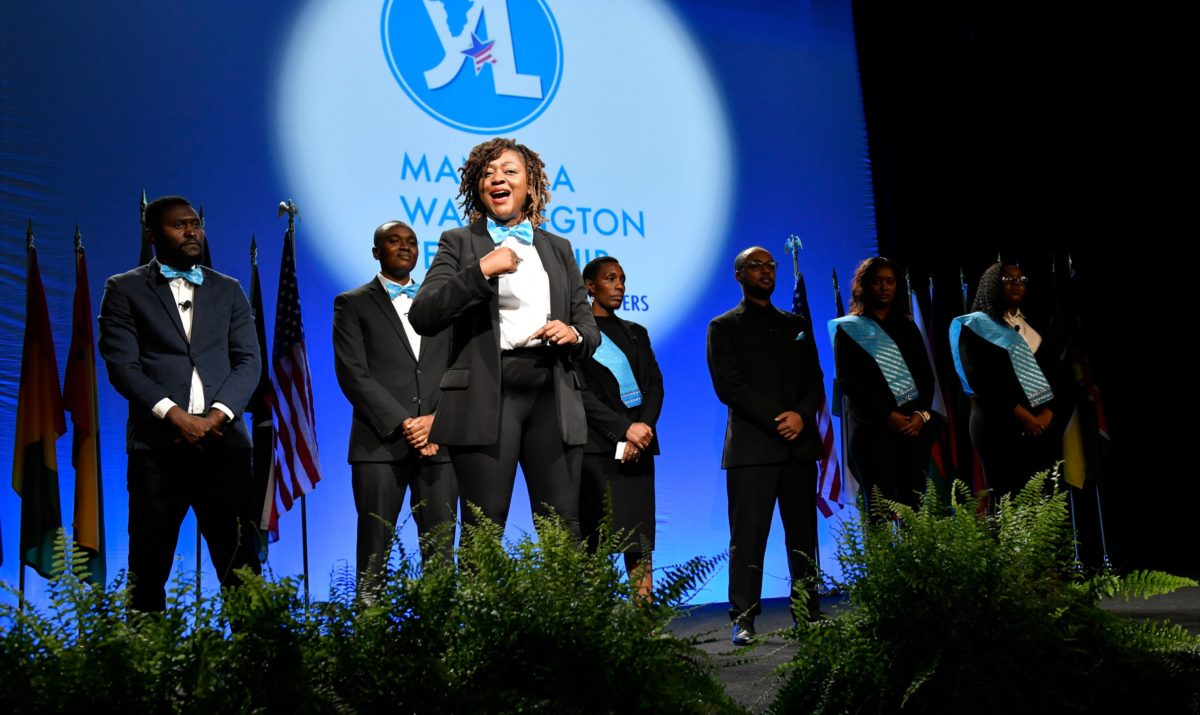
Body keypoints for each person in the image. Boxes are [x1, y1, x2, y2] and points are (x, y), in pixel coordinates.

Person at [409, 138, 599, 539]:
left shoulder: (558, 248)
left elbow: (588, 326)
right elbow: (425, 313)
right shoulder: (459, 242)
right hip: (485, 395)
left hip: (552, 391)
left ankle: (564, 605)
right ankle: (484, 605)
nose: (498, 178)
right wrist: (481, 270)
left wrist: (574, 333)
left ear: (530, 185)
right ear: (477, 187)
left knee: (562, 524)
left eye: (510, 171)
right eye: (488, 173)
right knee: (484, 527)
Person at [98, 195, 261, 612]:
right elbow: (123, 366)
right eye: (179, 225)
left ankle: (258, 667)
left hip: (224, 448)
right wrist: (176, 416)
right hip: (158, 451)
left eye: (195, 224)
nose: (192, 232)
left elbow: (248, 361)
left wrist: (216, 417)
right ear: (153, 236)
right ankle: (149, 668)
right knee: (148, 570)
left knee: (242, 569)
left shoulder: (228, 289)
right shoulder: (124, 289)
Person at [706, 246, 825, 646]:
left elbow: (815, 380)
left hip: (798, 448)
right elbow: (730, 387)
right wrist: (781, 418)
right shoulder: (723, 326)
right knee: (749, 538)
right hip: (754, 449)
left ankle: (808, 612)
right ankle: (744, 617)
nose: (766, 271)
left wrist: (802, 416)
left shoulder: (796, 323)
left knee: (803, 537)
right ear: (739, 275)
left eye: (770, 265)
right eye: (756, 266)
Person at [332, 221, 458, 597]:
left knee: (440, 549)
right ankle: (372, 636)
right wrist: (406, 423)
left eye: (412, 242)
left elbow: (459, 368)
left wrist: (437, 420)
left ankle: (438, 634)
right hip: (379, 445)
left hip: (440, 443)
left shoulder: (441, 305)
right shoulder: (352, 303)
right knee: (375, 548)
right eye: (394, 241)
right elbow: (353, 375)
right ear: (376, 252)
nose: (405, 247)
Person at [578, 256, 663, 597]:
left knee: (638, 540)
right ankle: (596, 628)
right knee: (595, 542)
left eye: (622, 279)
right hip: (596, 452)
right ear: (590, 286)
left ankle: (644, 626)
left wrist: (641, 429)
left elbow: (654, 385)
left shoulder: (636, 333)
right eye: (610, 279)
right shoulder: (578, 335)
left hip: (639, 448)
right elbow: (581, 395)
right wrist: (622, 431)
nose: (619, 286)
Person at [828, 257, 940, 512]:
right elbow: (849, 382)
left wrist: (921, 415)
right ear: (864, 286)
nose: (884, 287)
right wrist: (888, 415)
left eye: (889, 281)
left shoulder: (909, 327)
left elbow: (926, 377)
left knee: (914, 510)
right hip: (872, 431)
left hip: (914, 428)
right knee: (880, 510)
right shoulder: (848, 329)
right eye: (877, 282)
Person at [951, 262, 1063, 500]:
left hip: (1041, 426)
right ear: (991, 284)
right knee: (1006, 500)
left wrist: (1047, 413)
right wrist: (1022, 414)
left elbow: (1057, 375)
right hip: (996, 424)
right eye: (1008, 279)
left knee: (1043, 503)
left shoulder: (1036, 324)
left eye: (1021, 279)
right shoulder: (974, 326)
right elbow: (979, 378)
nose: (1016, 283)